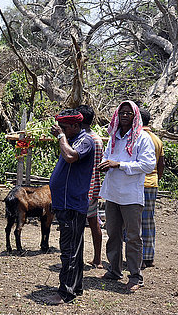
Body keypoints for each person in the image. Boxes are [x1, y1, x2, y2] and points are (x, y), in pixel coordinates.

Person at [98, 100, 156, 292]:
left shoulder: (142, 138)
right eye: (121, 112)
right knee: (113, 233)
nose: (124, 116)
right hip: (113, 192)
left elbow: (148, 165)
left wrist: (120, 165)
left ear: (135, 117)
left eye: (128, 113)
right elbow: (108, 155)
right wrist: (105, 163)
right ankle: (114, 270)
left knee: (132, 237)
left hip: (131, 195)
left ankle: (135, 276)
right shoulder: (114, 136)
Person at [45, 109, 95, 305]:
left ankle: (65, 293)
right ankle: (76, 286)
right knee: (75, 248)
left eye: (64, 127)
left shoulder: (85, 140)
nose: (61, 131)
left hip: (72, 203)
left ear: (75, 126)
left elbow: (70, 156)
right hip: (66, 203)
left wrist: (61, 137)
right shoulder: (72, 139)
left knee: (69, 250)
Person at [75, 104, 104, 269]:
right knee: (94, 222)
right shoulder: (97, 138)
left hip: (82, 188)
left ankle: (77, 259)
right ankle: (97, 259)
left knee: (78, 225)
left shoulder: (83, 139)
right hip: (94, 188)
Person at [139, 108, 165, 269]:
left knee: (132, 223)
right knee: (148, 221)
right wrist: (156, 178)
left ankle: (136, 256)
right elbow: (161, 164)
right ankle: (148, 256)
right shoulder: (157, 140)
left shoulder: (137, 138)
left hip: (137, 183)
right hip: (152, 183)